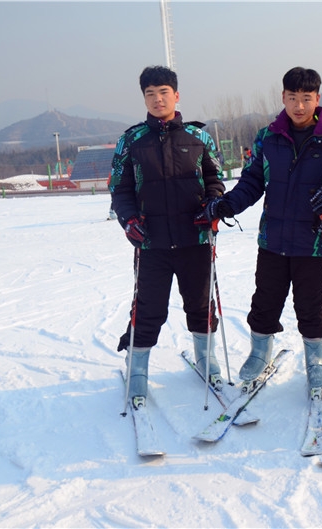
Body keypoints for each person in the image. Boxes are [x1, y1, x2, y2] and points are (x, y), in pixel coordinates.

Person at [198, 67, 322, 401]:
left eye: (306, 98)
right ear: (283, 97)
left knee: (310, 305)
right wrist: (228, 204)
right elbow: (253, 180)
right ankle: (259, 353)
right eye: (293, 98)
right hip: (273, 238)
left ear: (317, 99)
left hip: (314, 240)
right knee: (265, 300)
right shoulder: (268, 137)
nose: (299, 106)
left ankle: (317, 362)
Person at [109, 66, 225, 410]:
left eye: (163, 93)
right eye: (150, 94)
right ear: (144, 98)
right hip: (152, 243)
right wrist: (129, 220)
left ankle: (207, 359)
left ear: (176, 95)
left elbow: (215, 179)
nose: (158, 100)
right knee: (149, 309)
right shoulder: (131, 141)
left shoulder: (198, 137)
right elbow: (120, 188)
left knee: (200, 305)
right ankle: (137, 369)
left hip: (196, 240)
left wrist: (213, 205)